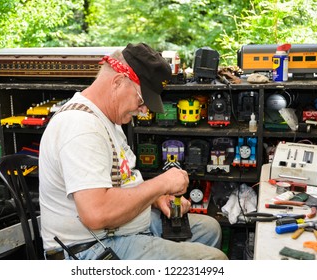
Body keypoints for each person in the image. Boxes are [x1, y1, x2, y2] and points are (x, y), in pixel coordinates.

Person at [39, 42, 228, 260]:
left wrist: (156, 198)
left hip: (120, 230)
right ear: (119, 82)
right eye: (142, 99)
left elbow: (122, 183)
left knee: (209, 229)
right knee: (214, 261)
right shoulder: (81, 128)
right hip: (89, 248)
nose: (144, 110)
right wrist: (161, 185)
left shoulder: (108, 119)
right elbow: (97, 213)